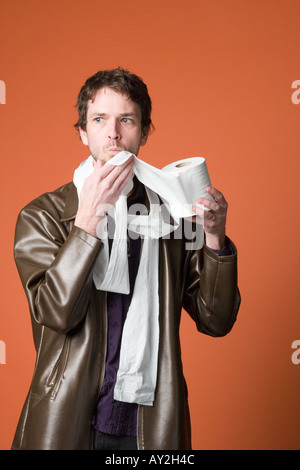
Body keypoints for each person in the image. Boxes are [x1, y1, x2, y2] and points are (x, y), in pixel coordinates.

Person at [12, 68, 240, 450]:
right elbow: (56, 314)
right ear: (83, 132)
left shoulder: (172, 215)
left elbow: (216, 320)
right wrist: (86, 224)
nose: (113, 132)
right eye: (99, 119)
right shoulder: (43, 215)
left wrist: (214, 236)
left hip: (147, 421)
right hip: (69, 415)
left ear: (144, 131)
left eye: (126, 120)